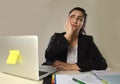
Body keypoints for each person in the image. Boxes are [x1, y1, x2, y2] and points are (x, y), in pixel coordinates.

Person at [44, 7, 107, 72]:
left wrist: (72, 66)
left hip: (77, 75)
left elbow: (102, 63)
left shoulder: (87, 40)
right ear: (67, 20)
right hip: (59, 74)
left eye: (79, 19)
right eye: (72, 17)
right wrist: (68, 35)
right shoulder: (57, 37)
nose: (75, 21)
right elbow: (48, 56)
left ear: (83, 25)